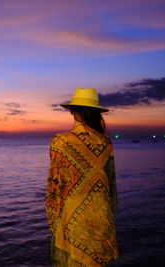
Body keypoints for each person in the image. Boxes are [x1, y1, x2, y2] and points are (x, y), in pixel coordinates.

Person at [45, 88, 118, 267]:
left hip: (73, 219)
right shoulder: (105, 142)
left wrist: (53, 217)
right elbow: (111, 184)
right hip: (101, 217)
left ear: (74, 112)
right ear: (96, 114)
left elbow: (55, 184)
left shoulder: (60, 141)